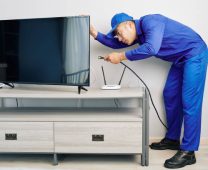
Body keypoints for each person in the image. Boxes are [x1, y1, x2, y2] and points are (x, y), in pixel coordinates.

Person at [90, 13, 208, 169]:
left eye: (118, 33)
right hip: (180, 59)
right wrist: (95, 34)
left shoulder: (151, 21)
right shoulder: (138, 36)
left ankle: (189, 151)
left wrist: (121, 57)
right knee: (170, 95)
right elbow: (115, 44)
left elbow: (151, 48)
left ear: (129, 25)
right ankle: (173, 139)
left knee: (189, 101)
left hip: (194, 54)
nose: (118, 38)